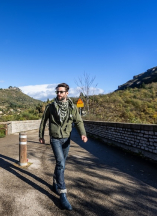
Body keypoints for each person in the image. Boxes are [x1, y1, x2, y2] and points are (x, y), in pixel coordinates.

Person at [39, 83, 88, 211]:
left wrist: (83, 133)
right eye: (57, 92)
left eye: (61, 92)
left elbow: (78, 121)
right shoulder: (51, 106)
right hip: (55, 138)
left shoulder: (72, 107)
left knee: (62, 163)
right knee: (60, 163)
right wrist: (41, 136)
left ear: (67, 93)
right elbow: (44, 121)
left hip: (66, 138)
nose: (59, 94)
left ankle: (55, 181)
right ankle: (63, 194)